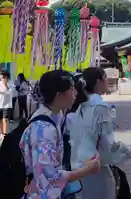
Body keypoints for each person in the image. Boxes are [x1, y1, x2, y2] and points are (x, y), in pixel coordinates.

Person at [20, 70, 100, 199]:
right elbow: (49, 177)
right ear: (59, 95)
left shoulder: (56, 115)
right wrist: (86, 170)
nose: (75, 92)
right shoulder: (43, 130)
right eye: (71, 88)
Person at [70, 67, 131, 199]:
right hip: (95, 169)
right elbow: (107, 146)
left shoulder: (80, 107)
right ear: (98, 81)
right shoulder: (100, 107)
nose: (107, 81)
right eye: (105, 78)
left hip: (79, 167)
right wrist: (129, 151)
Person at [0, 70, 13, 140]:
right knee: (0, 120)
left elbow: (10, 92)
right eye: (0, 76)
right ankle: (1, 134)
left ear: (6, 76)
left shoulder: (10, 82)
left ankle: (5, 134)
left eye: (2, 76)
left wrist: (5, 84)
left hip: (7, 105)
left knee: (5, 119)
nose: (0, 77)